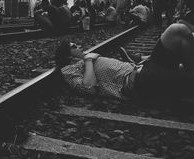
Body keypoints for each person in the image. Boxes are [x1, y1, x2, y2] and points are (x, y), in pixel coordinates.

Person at [55, 16, 194, 102]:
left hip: (144, 72)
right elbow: (89, 88)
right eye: (74, 46)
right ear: (68, 55)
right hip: (138, 82)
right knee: (178, 30)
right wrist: (89, 60)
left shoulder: (82, 62)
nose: (79, 46)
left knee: (182, 31)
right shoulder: (69, 70)